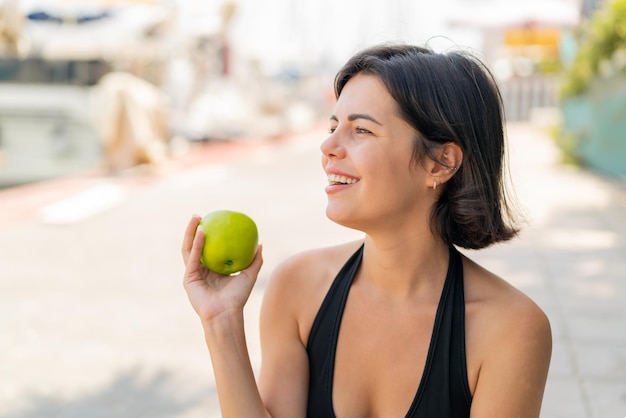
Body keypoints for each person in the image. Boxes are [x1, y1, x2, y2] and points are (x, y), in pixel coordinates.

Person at [181, 43, 552, 417]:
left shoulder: (510, 327)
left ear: (441, 163)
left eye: (361, 130)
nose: (328, 146)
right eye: (332, 126)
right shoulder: (297, 288)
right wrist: (221, 322)